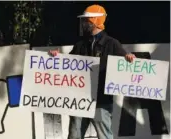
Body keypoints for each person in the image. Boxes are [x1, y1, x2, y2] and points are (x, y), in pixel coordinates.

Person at [49, 4, 136, 139]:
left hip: (101, 101)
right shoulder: (80, 44)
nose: (84, 23)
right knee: (74, 135)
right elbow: (67, 65)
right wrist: (56, 57)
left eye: (87, 20)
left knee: (104, 136)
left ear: (96, 21)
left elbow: (125, 63)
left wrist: (130, 58)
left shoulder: (112, 44)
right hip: (80, 99)